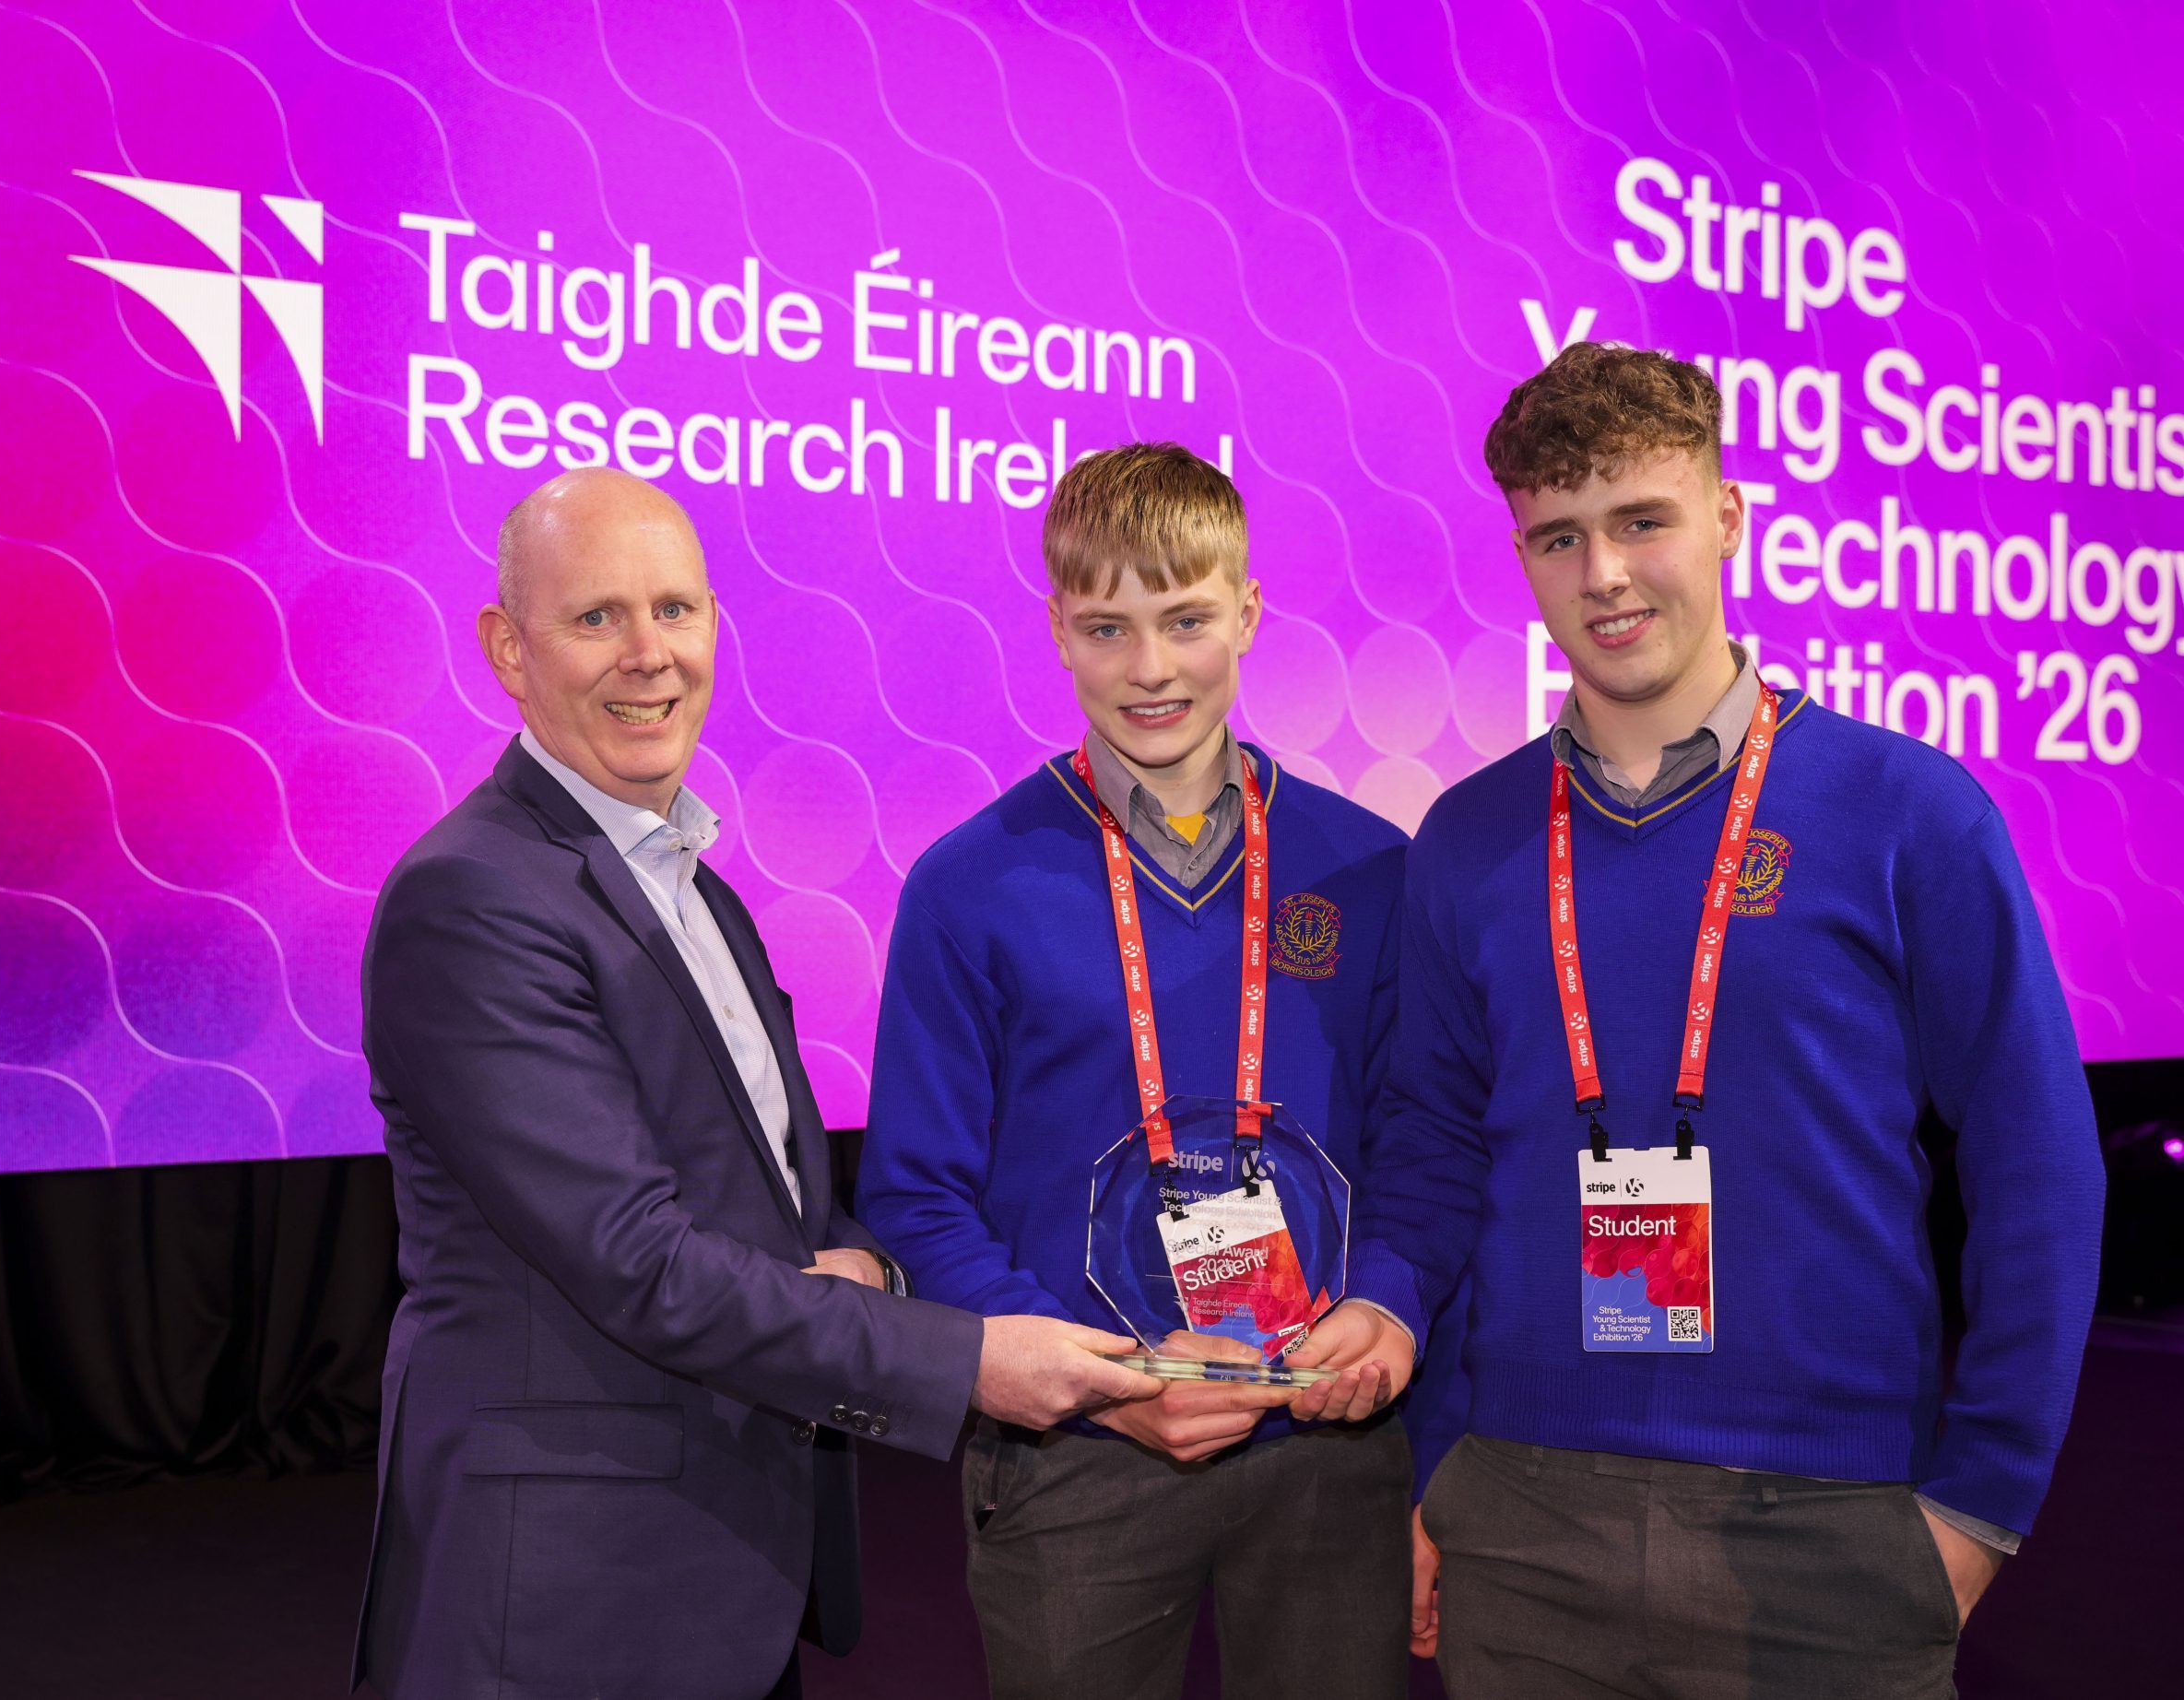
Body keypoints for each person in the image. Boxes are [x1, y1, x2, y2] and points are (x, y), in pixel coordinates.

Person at [351, 468, 1158, 1700]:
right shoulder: (473, 899)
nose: (648, 656)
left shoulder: (696, 888)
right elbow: (638, 1259)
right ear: (508, 650)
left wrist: (874, 1263)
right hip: (560, 1602)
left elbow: (775, 1205)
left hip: (716, 1568)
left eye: (675, 611)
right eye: (596, 619)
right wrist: (960, 1358)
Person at [1377, 341, 2104, 1698]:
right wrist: (1442, 1467)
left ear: (1728, 518)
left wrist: (1979, 1509)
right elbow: (1432, 1157)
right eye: (1556, 537)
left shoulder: (1910, 813)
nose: (1601, 575)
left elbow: (2040, 1168)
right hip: (1524, 1529)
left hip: (1832, 1533)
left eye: (1642, 520)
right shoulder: (1467, 841)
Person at [856, 443, 1421, 1700]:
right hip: (1077, 1453)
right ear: (1057, 627)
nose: (1152, 668)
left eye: (1186, 620)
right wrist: (1085, 1381)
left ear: (1250, 613)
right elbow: (916, 1194)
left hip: (1328, 1439)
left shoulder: (1367, 867)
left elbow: (1423, 1143)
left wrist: (1384, 1305)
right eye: (1108, 626)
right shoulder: (969, 884)